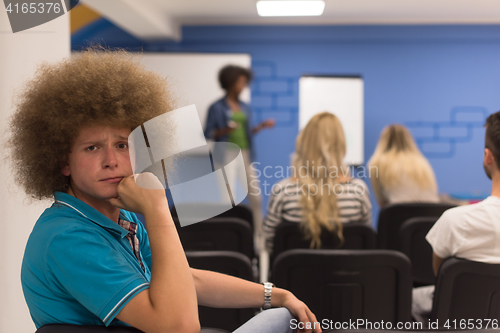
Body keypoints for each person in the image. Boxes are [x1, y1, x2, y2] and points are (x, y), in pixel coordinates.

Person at [11, 48, 321, 333]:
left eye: (121, 145)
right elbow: (180, 327)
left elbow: (188, 280)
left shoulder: (118, 217)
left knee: (283, 313)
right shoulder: (68, 237)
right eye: (92, 148)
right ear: (62, 161)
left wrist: (276, 294)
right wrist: (158, 207)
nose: (111, 161)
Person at [412, 111, 500, 323]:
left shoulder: (455, 222)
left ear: (488, 157)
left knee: (411, 299)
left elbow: (441, 278)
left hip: (466, 323)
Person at [262, 112, 372, 253]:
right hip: (348, 274)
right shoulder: (358, 191)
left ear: (303, 142)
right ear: (341, 145)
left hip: (296, 274)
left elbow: (270, 245)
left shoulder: (283, 191)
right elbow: (365, 244)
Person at [204, 65, 275, 252]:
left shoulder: (245, 107)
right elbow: (208, 132)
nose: (243, 86)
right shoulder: (216, 107)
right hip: (225, 153)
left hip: (244, 154)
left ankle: (260, 237)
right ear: (230, 82)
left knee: (256, 197)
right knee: (228, 200)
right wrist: (226, 129)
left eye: (245, 82)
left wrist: (261, 126)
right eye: (241, 82)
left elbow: (246, 132)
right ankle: (231, 238)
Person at [368, 124, 440, 207]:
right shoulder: (422, 162)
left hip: (399, 216)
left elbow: (382, 202)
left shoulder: (377, 163)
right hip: (431, 215)